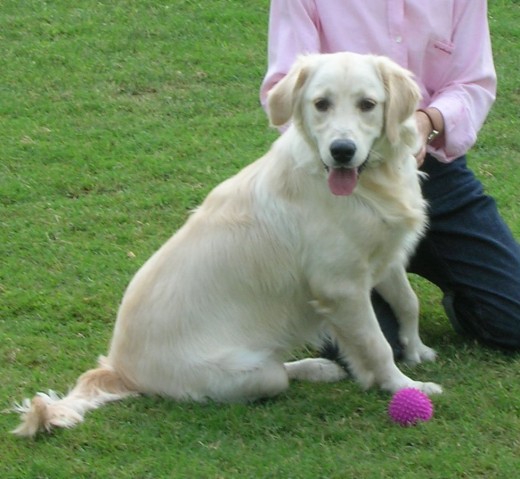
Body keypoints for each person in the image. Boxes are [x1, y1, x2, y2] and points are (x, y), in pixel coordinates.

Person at [260, 0, 520, 354]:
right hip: (335, 180)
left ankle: (452, 280)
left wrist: (427, 121)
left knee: (513, 322)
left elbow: (472, 81)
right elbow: (284, 86)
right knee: (367, 347)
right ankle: (338, 279)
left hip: (433, 173)